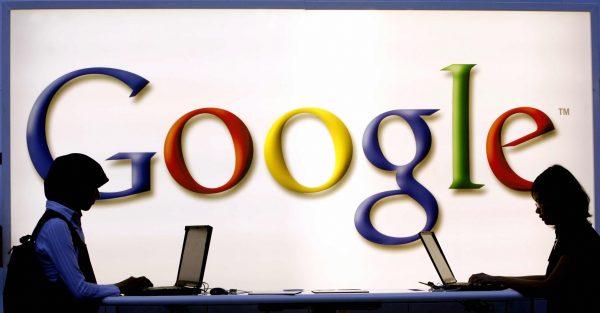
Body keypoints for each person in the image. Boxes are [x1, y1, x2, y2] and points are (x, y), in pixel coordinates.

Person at [469, 165, 600, 313]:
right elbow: (549, 278)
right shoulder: (573, 232)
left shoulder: (578, 237)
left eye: (540, 202)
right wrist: (499, 280)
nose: (537, 210)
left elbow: (548, 286)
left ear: (557, 201)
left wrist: (499, 280)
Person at [34, 153, 152, 312]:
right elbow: (80, 290)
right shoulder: (57, 226)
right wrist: (122, 286)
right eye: (91, 186)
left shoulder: (65, 223)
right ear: (74, 188)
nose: (96, 194)